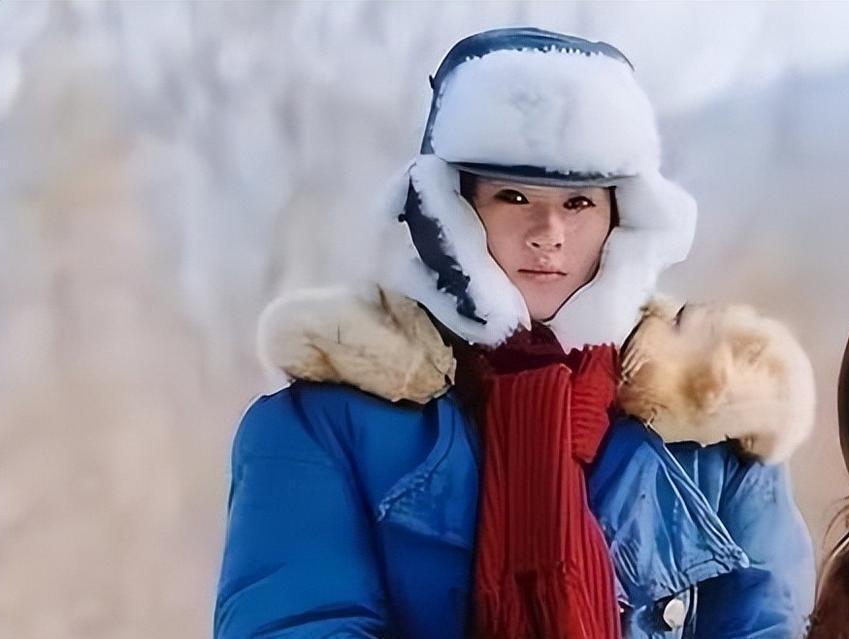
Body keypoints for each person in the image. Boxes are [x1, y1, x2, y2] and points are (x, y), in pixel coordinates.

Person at [214, 27, 817, 638]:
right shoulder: (325, 422)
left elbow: (767, 624)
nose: (548, 233)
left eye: (579, 203)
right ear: (451, 212)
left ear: (622, 220)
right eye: (514, 196)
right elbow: (297, 622)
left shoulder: (714, 423)